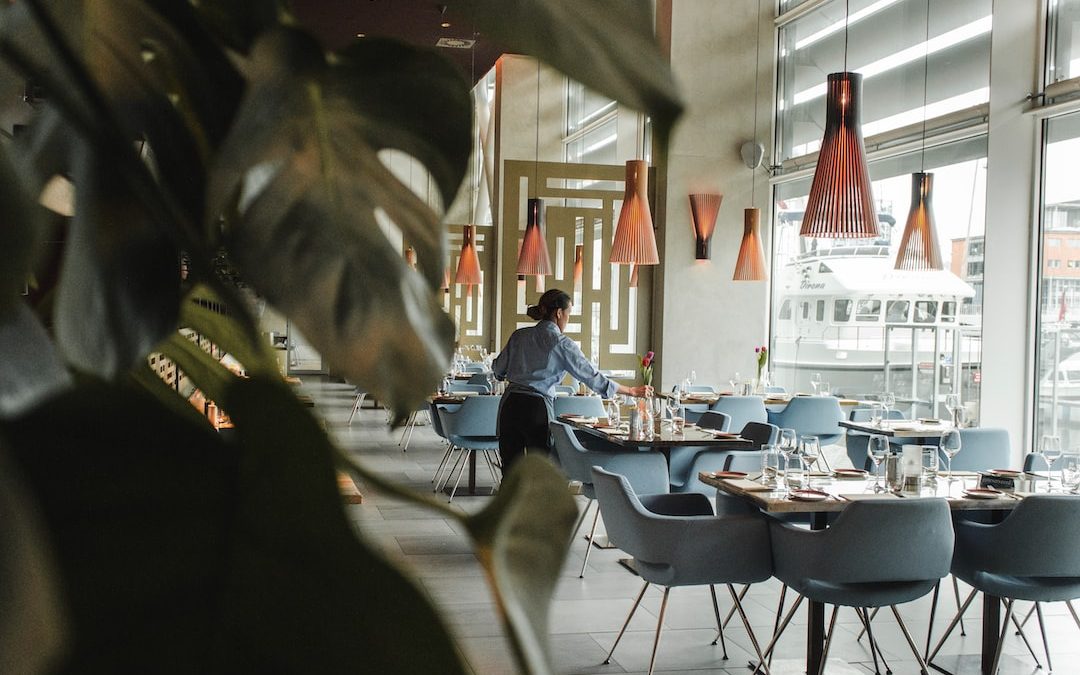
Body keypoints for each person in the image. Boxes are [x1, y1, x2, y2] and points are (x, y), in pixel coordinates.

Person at [492, 288, 651, 475]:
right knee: (540, 473)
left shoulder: (519, 336)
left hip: (510, 405)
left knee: (510, 472)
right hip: (536, 409)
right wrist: (630, 391)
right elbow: (590, 376)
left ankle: (509, 504)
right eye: (568, 314)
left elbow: (497, 370)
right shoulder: (561, 343)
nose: (567, 319)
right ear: (559, 313)